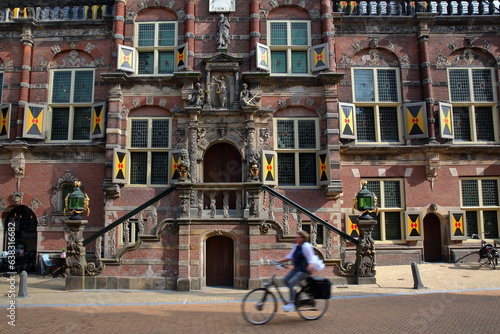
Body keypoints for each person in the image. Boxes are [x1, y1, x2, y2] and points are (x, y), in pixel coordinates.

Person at [276, 230, 315, 312]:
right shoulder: (296, 246)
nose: (296, 238)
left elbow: (311, 257)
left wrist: (311, 265)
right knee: (285, 280)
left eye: (298, 237)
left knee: (291, 282)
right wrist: (278, 261)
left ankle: (291, 304)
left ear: (302, 238)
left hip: (304, 270)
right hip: (297, 269)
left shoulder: (306, 246)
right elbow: (290, 256)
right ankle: (296, 296)